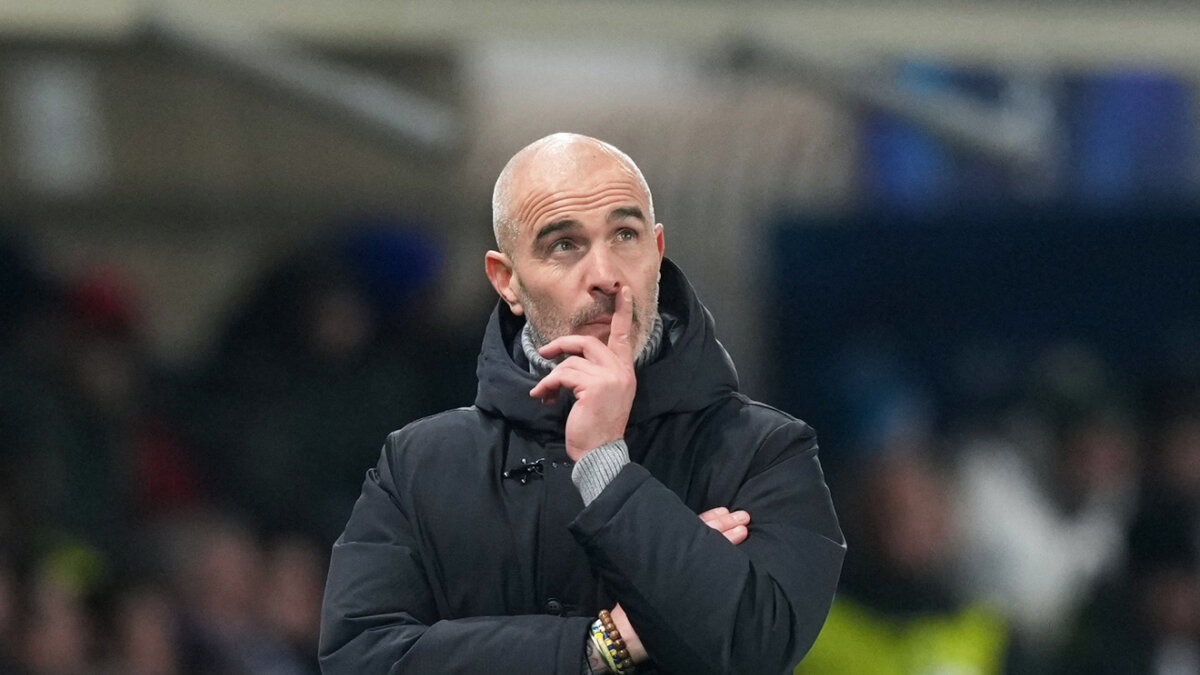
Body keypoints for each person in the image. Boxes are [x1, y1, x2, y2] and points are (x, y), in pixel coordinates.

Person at [319, 133, 844, 674]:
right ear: (507, 281)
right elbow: (360, 659)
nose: (605, 276)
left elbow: (757, 647)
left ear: (657, 252)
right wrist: (602, 644)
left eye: (625, 235)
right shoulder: (419, 463)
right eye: (564, 244)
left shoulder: (766, 451)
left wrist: (605, 466)